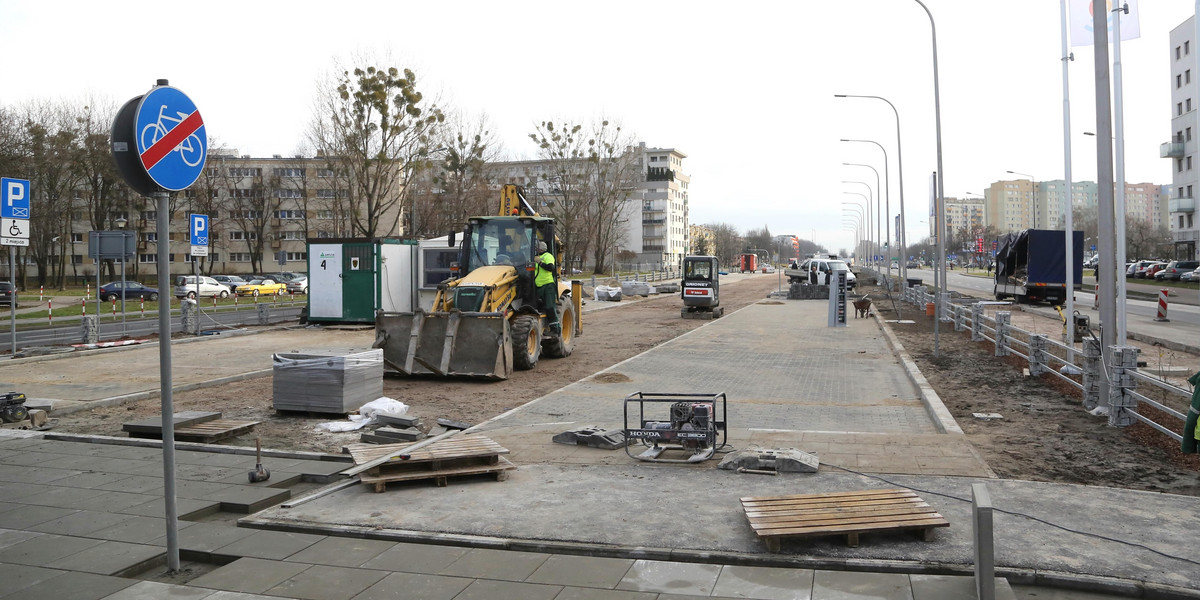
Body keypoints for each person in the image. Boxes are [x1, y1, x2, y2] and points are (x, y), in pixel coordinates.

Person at [533, 240, 559, 333]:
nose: (536, 249)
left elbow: (550, 268)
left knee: (549, 306)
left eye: (537, 248)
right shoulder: (537, 257)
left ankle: (555, 329)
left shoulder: (548, 256)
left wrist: (540, 263)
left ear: (540, 248)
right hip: (539, 285)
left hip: (548, 285)